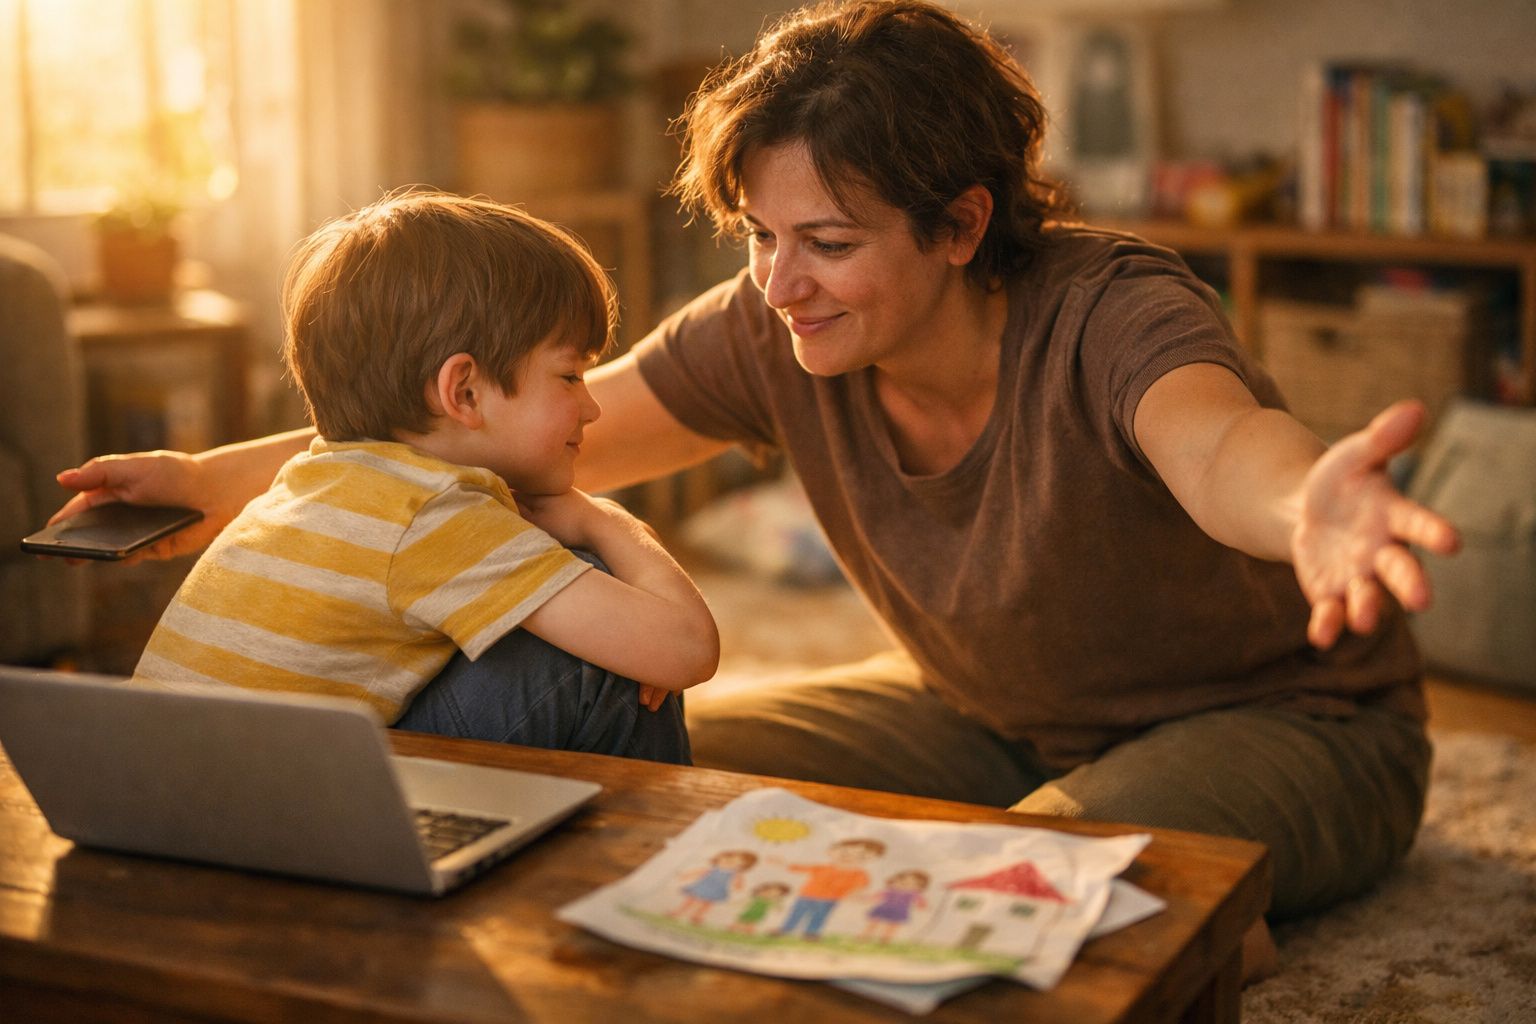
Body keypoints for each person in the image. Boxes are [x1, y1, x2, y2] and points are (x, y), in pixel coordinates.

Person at [51, 0, 1460, 975]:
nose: (781, 285)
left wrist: (1308, 507)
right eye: (758, 237)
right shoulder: (778, 326)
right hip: (980, 714)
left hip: (1290, 720)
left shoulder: (1109, 309)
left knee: (1012, 887)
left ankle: (1185, 935)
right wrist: (215, 480)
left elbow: (1218, 446)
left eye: (827, 243)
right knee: (630, 774)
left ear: (961, 224)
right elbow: (491, 431)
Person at [124, 191, 716, 763]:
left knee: (574, 612)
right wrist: (605, 519)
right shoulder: (432, 513)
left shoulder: (310, 483)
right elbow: (686, 649)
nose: (593, 408)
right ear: (464, 391)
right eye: (570, 377)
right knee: (598, 634)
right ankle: (674, 834)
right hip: (289, 814)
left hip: (163, 791)